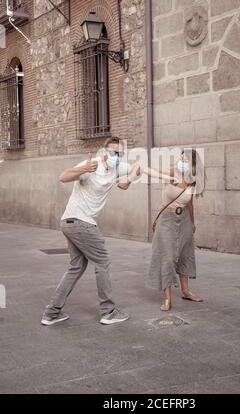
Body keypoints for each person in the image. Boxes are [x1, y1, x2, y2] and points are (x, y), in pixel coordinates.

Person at [41, 136, 140, 326]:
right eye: (112, 152)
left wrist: (129, 179)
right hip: (80, 222)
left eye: (119, 153)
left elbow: (136, 169)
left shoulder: (117, 167)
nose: (116, 156)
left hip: (70, 222)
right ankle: (108, 311)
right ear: (104, 153)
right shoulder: (92, 165)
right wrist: (84, 169)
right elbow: (62, 177)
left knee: (76, 267)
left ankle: (51, 312)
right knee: (102, 262)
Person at [143, 149, 203, 311]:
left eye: (185, 161)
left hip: (184, 219)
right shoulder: (172, 172)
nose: (181, 163)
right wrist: (166, 177)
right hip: (167, 219)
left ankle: (185, 291)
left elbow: (190, 203)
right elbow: (147, 170)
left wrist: (192, 222)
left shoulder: (192, 180)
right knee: (167, 257)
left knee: (185, 253)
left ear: (192, 165)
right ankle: (167, 298)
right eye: (180, 159)